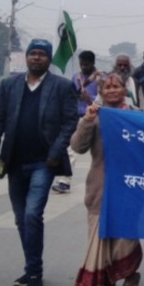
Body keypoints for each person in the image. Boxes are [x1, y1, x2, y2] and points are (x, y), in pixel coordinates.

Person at [0, 38, 78, 286]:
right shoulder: (9, 85)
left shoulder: (61, 87)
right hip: (14, 162)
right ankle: (31, 267)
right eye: (32, 53)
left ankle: (35, 274)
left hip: (44, 163)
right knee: (20, 219)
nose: (37, 58)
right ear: (26, 57)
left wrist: (55, 151)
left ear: (49, 59)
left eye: (42, 54)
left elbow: (70, 121)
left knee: (32, 215)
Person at [71, 73, 142, 286]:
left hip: (129, 185)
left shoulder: (135, 116)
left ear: (124, 90)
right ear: (100, 92)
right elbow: (78, 147)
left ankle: (130, 275)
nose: (112, 90)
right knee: (100, 235)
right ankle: (105, 280)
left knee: (124, 236)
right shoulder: (95, 115)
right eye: (107, 87)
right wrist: (87, 121)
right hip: (100, 185)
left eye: (116, 86)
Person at [53, 50, 103, 194]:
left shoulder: (100, 78)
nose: (84, 67)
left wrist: (89, 98)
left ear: (93, 63)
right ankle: (64, 181)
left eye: (86, 64)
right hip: (78, 116)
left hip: (96, 118)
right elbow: (70, 95)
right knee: (70, 148)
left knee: (99, 152)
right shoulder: (76, 77)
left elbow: (103, 99)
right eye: (81, 64)